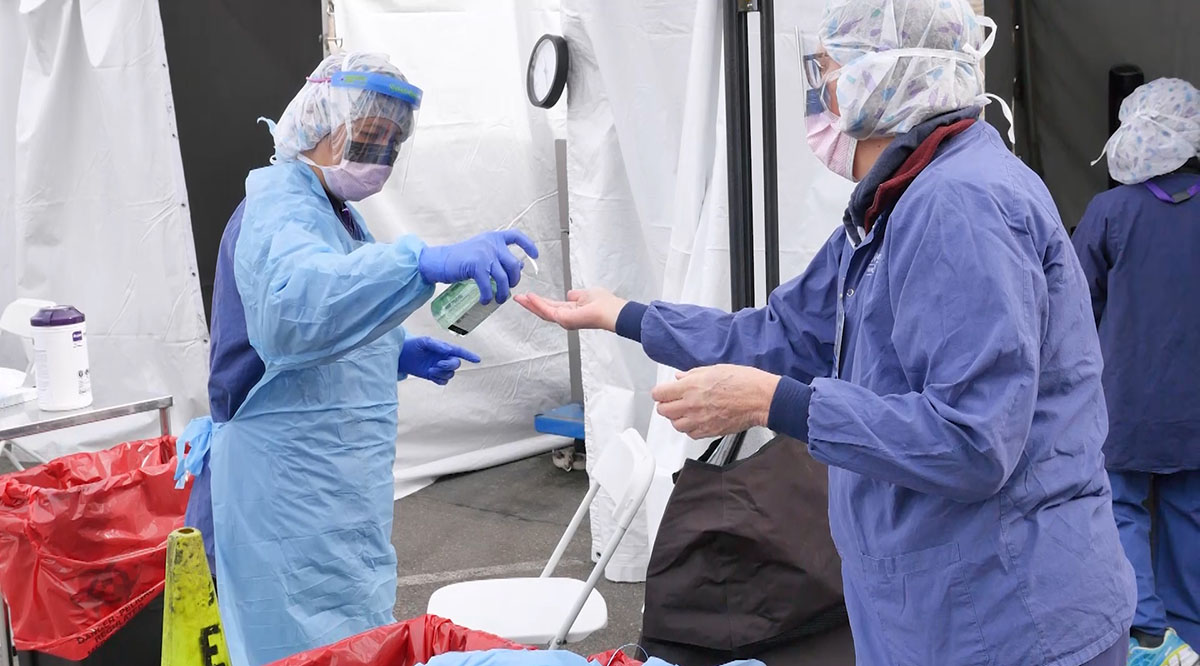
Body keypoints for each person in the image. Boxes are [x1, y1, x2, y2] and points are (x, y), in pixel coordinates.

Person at [517, 0, 1137, 664]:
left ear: (886, 79)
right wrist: (626, 316)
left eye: (830, 68)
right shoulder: (899, 199)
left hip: (1007, 619)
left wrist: (770, 402)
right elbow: (784, 335)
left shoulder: (959, 204)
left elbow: (972, 440)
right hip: (935, 609)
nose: (820, 89)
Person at [174, 52, 539, 666]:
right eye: (369, 139)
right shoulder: (276, 207)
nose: (381, 160)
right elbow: (295, 311)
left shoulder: (337, 213)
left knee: (354, 644)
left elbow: (337, 312)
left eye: (393, 145)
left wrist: (395, 352)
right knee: (294, 649)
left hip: (334, 497)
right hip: (282, 494)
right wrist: (421, 261)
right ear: (316, 123)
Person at [1073, 77, 1200, 666]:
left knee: (1121, 507)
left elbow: (1075, 304)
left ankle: (1147, 634)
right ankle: (1190, 634)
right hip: (1194, 404)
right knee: (1187, 511)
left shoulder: (1109, 212)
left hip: (1122, 399)